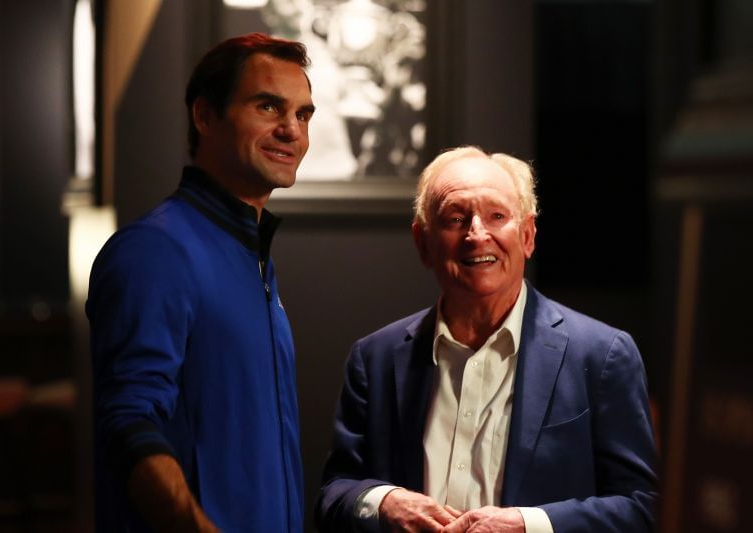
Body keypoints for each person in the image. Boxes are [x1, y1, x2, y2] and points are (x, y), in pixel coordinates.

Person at [315, 146, 658, 532]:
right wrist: (383, 502)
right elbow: (334, 494)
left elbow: (641, 508)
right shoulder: (374, 358)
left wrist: (530, 526)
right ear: (423, 243)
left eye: (497, 216)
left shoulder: (602, 355)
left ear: (527, 236)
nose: (477, 234)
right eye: (456, 218)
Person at [87, 33, 315, 532]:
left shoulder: (250, 256)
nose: (291, 130)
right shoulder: (153, 252)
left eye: (302, 115)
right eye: (268, 107)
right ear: (205, 116)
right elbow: (130, 423)